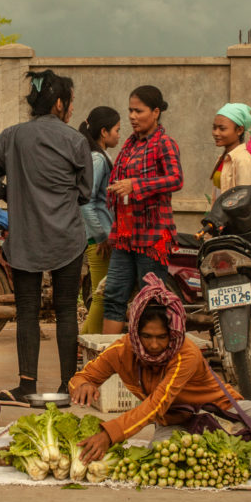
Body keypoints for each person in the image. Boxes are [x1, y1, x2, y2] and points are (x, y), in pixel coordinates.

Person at [0, 70, 92, 405]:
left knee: (27, 311)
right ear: (60, 103)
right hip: (67, 237)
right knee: (66, 310)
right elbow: (85, 192)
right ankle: (68, 386)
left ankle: (26, 386)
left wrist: (6, 192)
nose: (71, 109)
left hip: (26, 238)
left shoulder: (13, 136)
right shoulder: (76, 140)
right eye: (70, 102)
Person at [72, 274, 251, 462]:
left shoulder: (186, 354)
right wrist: (83, 385)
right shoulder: (122, 350)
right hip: (174, 422)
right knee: (162, 456)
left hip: (220, 411)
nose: (154, 345)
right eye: (146, 336)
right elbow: (81, 378)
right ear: (135, 331)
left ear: (173, 333)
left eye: (162, 337)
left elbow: (156, 404)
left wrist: (109, 434)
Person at [101, 85, 182, 335]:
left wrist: (136, 185)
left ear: (155, 112)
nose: (132, 117)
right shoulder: (130, 145)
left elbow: (176, 179)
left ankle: (150, 352)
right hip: (125, 236)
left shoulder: (164, 143)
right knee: (113, 296)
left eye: (139, 111)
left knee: (150, 299)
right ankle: (111, 355)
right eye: (130, 111)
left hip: (151, 237)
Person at [78, 106, 120, 335]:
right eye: (116, 130)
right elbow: (86, 202)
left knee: (102, 294)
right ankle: (85, 344)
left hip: (101, 236)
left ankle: (86, 344)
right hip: (99, 239)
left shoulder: (101, 155)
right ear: (104, 132)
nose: (119, 135)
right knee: (102, 295)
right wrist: (101, 236)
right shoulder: (97, 159)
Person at [211, 102, 251, 200]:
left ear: (239, 130)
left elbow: (244, 201)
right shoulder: (223, 158)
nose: (216, 133)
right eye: (214, 128)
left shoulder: (243, 160)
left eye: (222, 129)